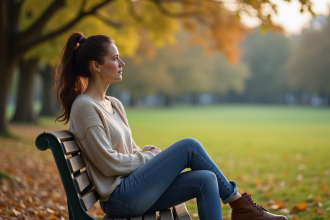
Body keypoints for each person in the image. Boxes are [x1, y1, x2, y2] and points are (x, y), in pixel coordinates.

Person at [54, 32, 287, 220]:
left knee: (205, 178)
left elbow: (129, 150)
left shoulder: (113, 103)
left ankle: (242, 208)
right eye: (115, 58)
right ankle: (241, 207)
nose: (121, 62)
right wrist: (151, 159)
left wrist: (146, 152)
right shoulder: (85, 107)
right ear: (96, 66)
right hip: (120, 198)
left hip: (134, 189)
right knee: (189, 146)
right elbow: (109, 162)